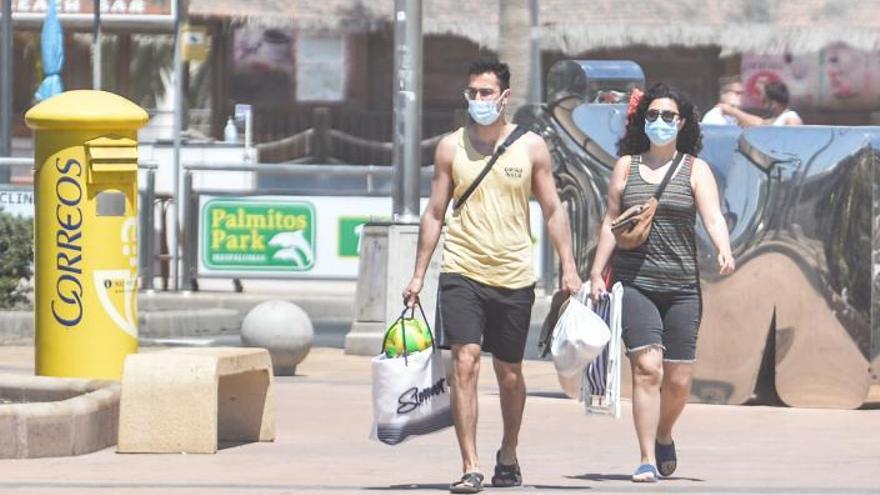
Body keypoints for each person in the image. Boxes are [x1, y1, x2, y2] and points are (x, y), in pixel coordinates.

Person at [403, 59, 581, 494]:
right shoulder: (450, 148)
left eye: (486, 93)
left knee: (510, 373)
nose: (478, 101)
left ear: (504, 97)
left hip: (514, 273)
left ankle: (508, 452)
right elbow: (434, 212)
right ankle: (470, 464)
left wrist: (569, 267)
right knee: (464, 362)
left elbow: (554, 209)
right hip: (462, 269)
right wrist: (418, 274)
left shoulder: (532, 147)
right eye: (472, 93)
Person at [589, 83, 735, 482]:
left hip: (683, 286)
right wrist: (595, 272)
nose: (660, 122)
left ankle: (665, 431)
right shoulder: (626, 166)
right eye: (652, 116)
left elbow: (713, 216)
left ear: (682, 122)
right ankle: (646, 457)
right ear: (642, 121)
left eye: (668, 116)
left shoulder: (694, 169)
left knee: (679, 379)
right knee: (647, 368)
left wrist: (724, 248)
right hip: (635, 281)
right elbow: (611, 222)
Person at [720, 80, 803, 127]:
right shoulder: (776, 118)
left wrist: (733, 111)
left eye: (764, 101)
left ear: (774, 103)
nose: (763, 105)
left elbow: (759, 123)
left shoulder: (791, 118)